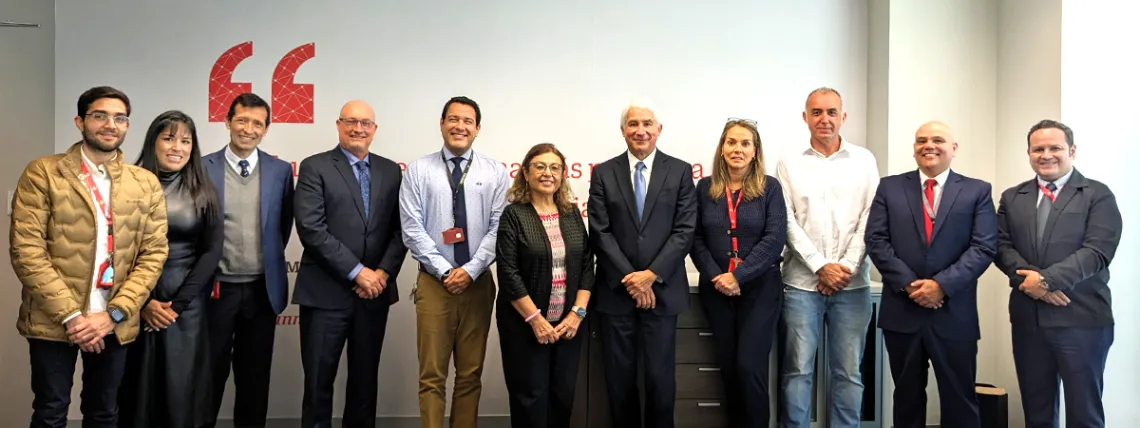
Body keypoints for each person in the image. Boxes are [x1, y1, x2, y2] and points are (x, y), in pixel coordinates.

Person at [10, 86, 169, 427]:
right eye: (100, 116)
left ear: (127, 126)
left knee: (104, 413)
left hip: (114, 318)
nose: (110, 124)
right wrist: (72, 317)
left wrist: (112, 313)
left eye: (120, 118)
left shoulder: (145, 183)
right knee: (51, 411)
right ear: (80, 121)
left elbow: (153, 254)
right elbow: (27, 250)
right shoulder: (43, 173)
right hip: (54, 319)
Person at [865, 121, 997, 428]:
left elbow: (983, 247)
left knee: (959, 399)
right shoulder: (890, 187)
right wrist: (912, 286)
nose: (929, 145)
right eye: (921, 140)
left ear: (954, 148)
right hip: (903, 312)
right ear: (914, 149)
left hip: (954, 313)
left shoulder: (977, 190)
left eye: (938, 140)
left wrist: (941, 286)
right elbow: (876, 241)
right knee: (907, 398)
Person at [994, 119, 1120, 428]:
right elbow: (999, 246)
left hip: (1081, 320)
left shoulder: (1098, 195)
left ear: (1072, 151)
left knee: (1084, 413)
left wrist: (1046, 281)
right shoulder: (1013, 197)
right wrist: (1033, 284)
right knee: (1037, 412)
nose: (1046, 154)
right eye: (1038, 149)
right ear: (1029, 153)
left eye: (1055, 148)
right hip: (1029, 321)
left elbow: (1097, 252)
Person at [293, 101, 408, 428]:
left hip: (373, 297)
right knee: (318, 384)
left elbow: (400, 231)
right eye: (351, 122)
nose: (359, 128)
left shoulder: (390, 171)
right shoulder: (315, 167)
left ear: (375, 129)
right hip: (325, 295)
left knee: (364, 384)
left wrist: (382, 274)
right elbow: (312, 230)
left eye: (366, 123)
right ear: (338, 124)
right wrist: (360, 273)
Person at [400, 96, 509, 428]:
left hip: (478, 284)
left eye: (467, 121)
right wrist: (447, 270)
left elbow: (498, 228)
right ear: (442, 123)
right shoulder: (418, 170)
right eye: (453, 119)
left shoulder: (495, 172)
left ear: (477, 129)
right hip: (435, 284)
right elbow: (411, 228)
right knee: (431, 375)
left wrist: (471, 270)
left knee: (470, 373)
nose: (459, 126)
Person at [587, 98, 697, 428]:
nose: (641, 130)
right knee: (619, 382)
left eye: (647, 124)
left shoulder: (679, 171)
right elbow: (600, 231)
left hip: (662, 293)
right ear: (623, 131)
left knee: (660, 380)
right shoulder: (604, 173)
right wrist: (632, 280)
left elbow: (684, 230)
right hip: (617, 294)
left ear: (659, 130)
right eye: (633, 124)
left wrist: (650, 276)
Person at [775, 87, 879, 428]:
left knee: (849, 373)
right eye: (816, 112)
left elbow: (870, 217)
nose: (824, 119)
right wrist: (821, 266)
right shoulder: (789, 163)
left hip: (852, 286)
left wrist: (845, 267)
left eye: (831, 112)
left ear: (843, 116)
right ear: (805, 117)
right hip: (801, 285)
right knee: (798, 371)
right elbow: (786, 221)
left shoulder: (864, 160)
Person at [118, 111, 224, 428]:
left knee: (182, 393)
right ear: (153, 141)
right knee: (136, 392)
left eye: (185, 140)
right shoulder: (126, 184)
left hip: (185, 308)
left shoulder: (204, 189)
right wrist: (143, 302)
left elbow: (211, 252)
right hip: (133, 302)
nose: (177, 146)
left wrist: (176, 306)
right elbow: (116, 251)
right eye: (168, 138)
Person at [202, 93, 296, 428]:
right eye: (242, 120)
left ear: (266, 129)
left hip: (261, 290)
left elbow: (281, 227)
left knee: (255, 379)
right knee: (208, 376)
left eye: (257, 123)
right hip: (215, 291)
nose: (249, 129)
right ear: (227, 122)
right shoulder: (201, 167)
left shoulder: (281, 171)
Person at [689, 118, 786, 428]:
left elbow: (774, 240)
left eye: (745, 143)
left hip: (760, 289)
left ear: (755, 151)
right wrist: (718, 275)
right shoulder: (705, 188)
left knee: (750, 368)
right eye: (731, 142)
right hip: (716, 290)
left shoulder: (769, 187)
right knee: (729, 369)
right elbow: (695, 238)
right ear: (721, 148)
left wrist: (737, 276)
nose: (737, 149)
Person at [496, 143, 595, 428]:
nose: (547, 173)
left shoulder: (571, 214)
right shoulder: (514, 215)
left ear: (563, 175)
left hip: (567, 327)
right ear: (525, 173)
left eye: (554, 167)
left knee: (562, 397)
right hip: (526, 328)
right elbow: (508, 273)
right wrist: (535, 320)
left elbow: (587, 265)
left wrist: (577, 314)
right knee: (530, 399)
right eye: (539, 166)